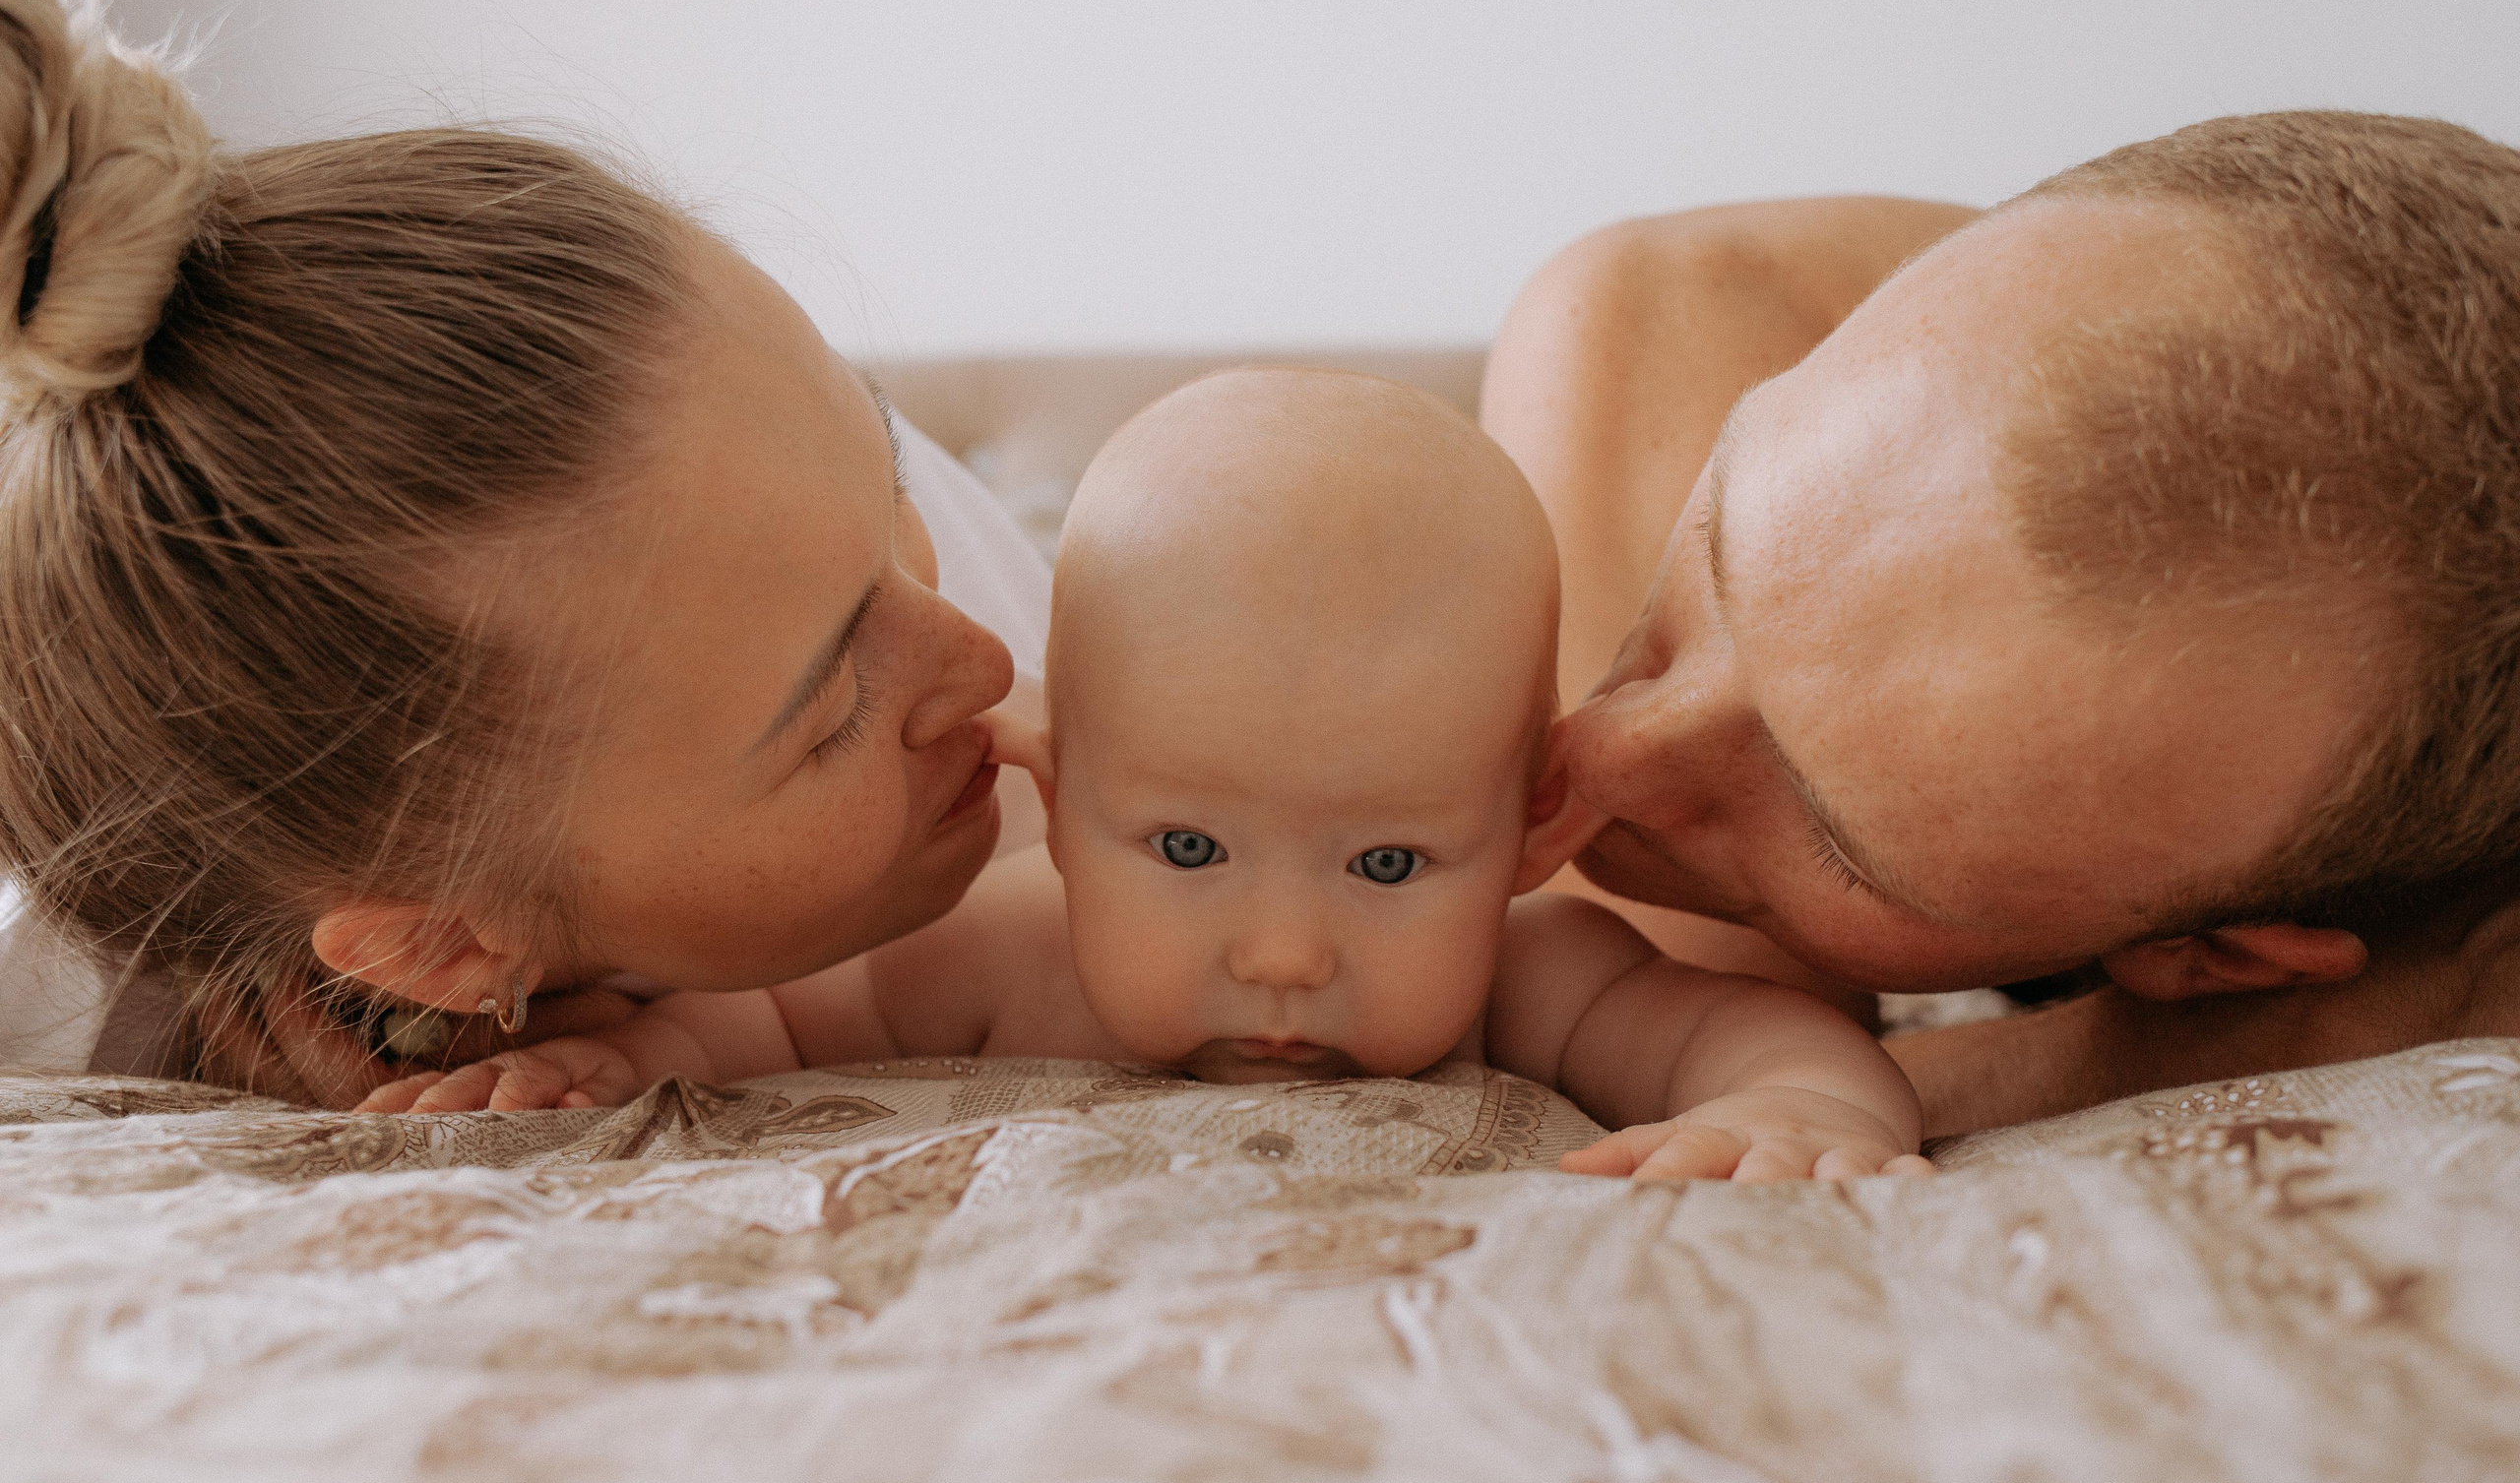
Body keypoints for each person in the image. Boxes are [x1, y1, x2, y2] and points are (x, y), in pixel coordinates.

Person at [355, 369, 1930, 1185]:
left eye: (1388, 863)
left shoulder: (1525, 973)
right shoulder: (1005, 946)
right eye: (1184, 842)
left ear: (1533, 821)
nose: (1283, 949)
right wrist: (605, 1066)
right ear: (1051, 776)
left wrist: (1799, 1106)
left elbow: (1736, 1031)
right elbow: (754, 1020)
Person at [0, 0, 1052, 1107]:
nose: (987, 668)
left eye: (887, 484)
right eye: (834, 713)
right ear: (448, 951)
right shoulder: (61, 1028)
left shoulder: (837, 527)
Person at [1481, 111, 2520, 1136]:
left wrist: (2287, 1031)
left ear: (2217, 960)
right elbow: (1671, 1077)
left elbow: (1719, 1127)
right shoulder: (1682, 306)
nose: (1598, 751)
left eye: (1836, 840)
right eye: (1714, 546)